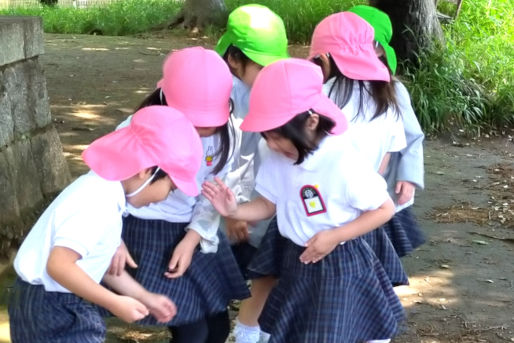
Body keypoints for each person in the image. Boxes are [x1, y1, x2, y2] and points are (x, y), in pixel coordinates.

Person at [202, 58, 404, 343]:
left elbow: (384, 209)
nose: (271, 144)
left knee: (336, 333)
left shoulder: (342, 160)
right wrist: (235, 210)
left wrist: (335, 236)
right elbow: (269, 204)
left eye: (278, 137)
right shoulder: (273, 152)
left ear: (311, 121)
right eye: (266, 136)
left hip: (338, 261)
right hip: (296, 258)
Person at [8, 105, 202, 343]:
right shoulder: (98, 201)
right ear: (147, 171)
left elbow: (98, 264)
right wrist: (114, 302)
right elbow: (59, 266)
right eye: (170, 189)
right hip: (52, 305)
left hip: (54, 299)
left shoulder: (106, 192)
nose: (164, 198)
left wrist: (144, 296)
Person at [110, 46, 250, 343]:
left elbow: (213, 193)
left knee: (217, 327)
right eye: (195, 121)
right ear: (167, 102)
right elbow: (105, 183)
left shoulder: (227, 134)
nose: (204, 128)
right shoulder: (137, 130)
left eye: (211, 119)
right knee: (191, 330)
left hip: (194, 229)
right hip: (143, 230)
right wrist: (112, 238)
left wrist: (192, 238)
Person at [308, 11, 409, 286]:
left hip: (318, 214)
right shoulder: (386, 100)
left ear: (325, 58)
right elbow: (382, 164)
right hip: (365, 215)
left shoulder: (318, 96)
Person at [215, 5, 289, 343]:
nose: (269, 72)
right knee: (215, 278)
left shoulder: (254, 86)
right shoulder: (219, 92)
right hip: (220, 208)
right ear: (234, 58)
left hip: (248, 206)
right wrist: (230, 211)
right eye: (263, 65)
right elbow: (223, 157)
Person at [348, 4, 425, 257]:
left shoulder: (393, 90)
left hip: (383, 190)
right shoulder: (331, 85)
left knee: (380, 255)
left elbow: (413, 137)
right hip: (345, 188)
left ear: (379, 49)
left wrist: (409, 176)